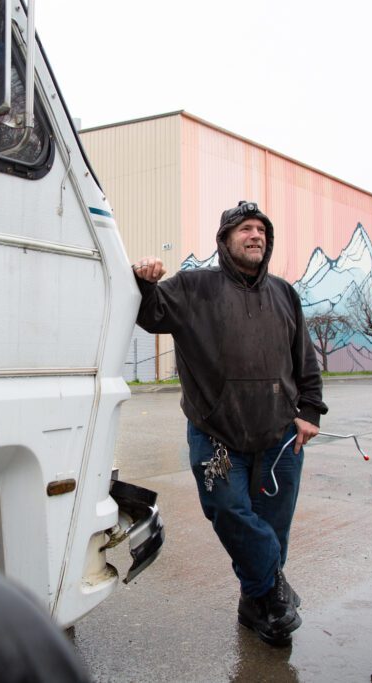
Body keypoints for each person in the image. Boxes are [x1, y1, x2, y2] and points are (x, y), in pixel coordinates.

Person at [131, 200, 327, 646]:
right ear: (225, 240)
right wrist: (145, 280)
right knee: (230, 513)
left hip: (280, 437)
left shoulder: (284, 294)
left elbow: (305, 362)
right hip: (215, 434)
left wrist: (309, 412)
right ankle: (274, 594)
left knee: (273, 527)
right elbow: (151, 313)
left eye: (261, 229)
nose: (255, 235)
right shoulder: (193, 287)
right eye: (245, 229)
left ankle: (258, 604)